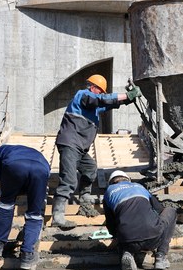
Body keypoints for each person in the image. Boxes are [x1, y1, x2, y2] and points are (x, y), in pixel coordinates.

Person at [52, 75, 141, 230]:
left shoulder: (94, 108)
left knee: (90, 169)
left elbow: (111, 103)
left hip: (80, 148)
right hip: (70, 144)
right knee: (69, 179)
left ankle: (85, 201)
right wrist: (125, 95)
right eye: (100, 91)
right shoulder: (83, 95)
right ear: (93, 88)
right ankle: (58, 216)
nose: (101, 94)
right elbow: (101, 100)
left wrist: (128, 98)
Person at [0, 144, 50, 270]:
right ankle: (27, 255)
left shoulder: (0, 150)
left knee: (6, 205)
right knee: (35, 214)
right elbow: (46, 173)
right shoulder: (36, 152)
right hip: (41, 170)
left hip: (14, 166)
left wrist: (7, 183)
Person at [102, 170, 177, 270]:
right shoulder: (139, 187)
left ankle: (127, 251)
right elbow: (159, 210)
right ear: (128, 180)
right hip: (153, 239)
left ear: (111, 182)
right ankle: (161, 256)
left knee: (121, 226)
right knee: (170, 211)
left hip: (128, 242)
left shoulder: (109, 192)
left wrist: (118, 239)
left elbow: (110, 223)